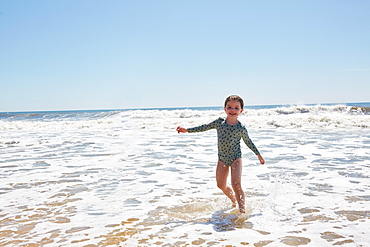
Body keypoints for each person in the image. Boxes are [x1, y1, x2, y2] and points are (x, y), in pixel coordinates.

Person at [176, 95, 265, 214]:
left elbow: (248, 141)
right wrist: (187, 130)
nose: (232, 110)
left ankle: (242, 212)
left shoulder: (240, 127)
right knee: (221, 185)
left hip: (235, 158)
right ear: (224, 109)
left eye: (236, 108)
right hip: (222, 158)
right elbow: (204, 127)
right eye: (229, 107)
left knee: (236, 185)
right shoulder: (219, 123)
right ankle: (234, 200)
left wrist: (258, 154)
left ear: (241, 111)